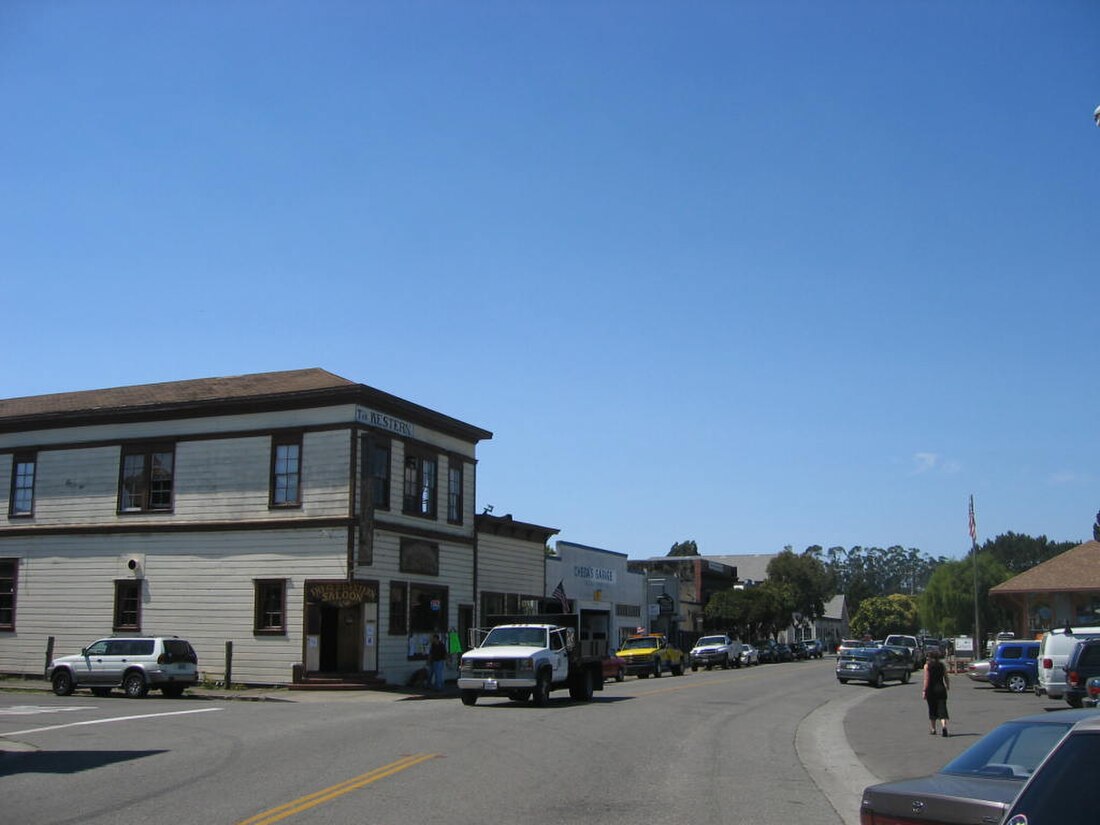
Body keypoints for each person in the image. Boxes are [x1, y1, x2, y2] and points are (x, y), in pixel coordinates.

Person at [923, 648, 950, 736]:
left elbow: (926, 679)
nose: (927, 659)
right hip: (941, 689)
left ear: (931, 658)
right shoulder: (942, 665)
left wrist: (924, 690)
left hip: (931, 690)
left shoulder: (927, 666)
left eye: (928, 657)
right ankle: (944, 726)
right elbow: (946, 677)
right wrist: (947, 685)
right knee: (942, 708)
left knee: (932, 709)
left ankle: (933, 729)